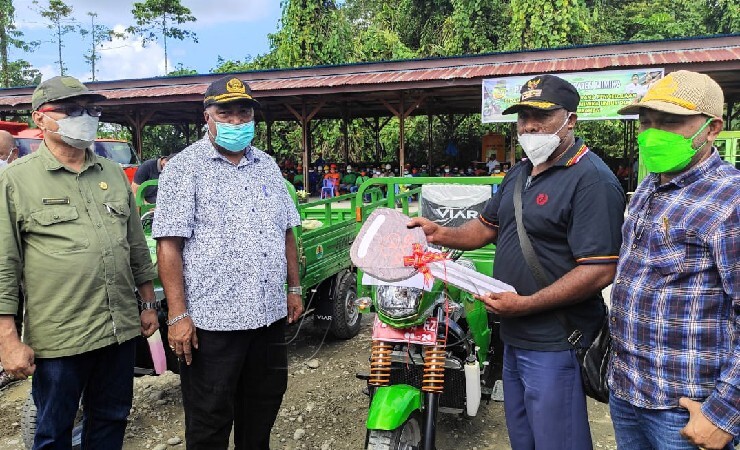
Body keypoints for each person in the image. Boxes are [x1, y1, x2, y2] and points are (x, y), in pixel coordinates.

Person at [409, 74, 624, 450]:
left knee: (558, 440)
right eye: (522, 117)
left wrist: (525, 304)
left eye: (540, 116)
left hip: (556, 339)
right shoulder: (520, 172)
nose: (529, 126)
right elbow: (485, 227)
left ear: (570, 120)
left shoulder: (592, 181)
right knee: (523, 437)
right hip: (513, 334)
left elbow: (599, 269)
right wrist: (439, 232)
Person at [0, 76, 158, 448]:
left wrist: (148, 303)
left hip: (118, 329)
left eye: (90, 110)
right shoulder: (16, 182)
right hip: (61, 337)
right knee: (53, 429)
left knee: (111, 419)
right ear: (41, 119)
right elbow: (4, 265)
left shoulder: (113, 174)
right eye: (70, 110)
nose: (83, 117)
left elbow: (135, 245)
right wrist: (7, 339)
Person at [152, 75, 303, 450]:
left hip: (267, 317)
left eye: (243, 112)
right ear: (208, 117)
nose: (236, 121)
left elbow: (286, 232)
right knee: (209, 418)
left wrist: (294, 287)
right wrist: (177, 315)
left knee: (263, 407)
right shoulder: (184, 168)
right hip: (213, 323)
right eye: (226, 112)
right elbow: (168, 246)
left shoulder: (267, 165)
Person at [609, 70, 739, 450]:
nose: (653, 133)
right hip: (629, 394)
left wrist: (724, 414)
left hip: (687, 409)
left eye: (670, 122)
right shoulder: (649, 187)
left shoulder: (730, 201)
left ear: (712, 129)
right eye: (646, 122)